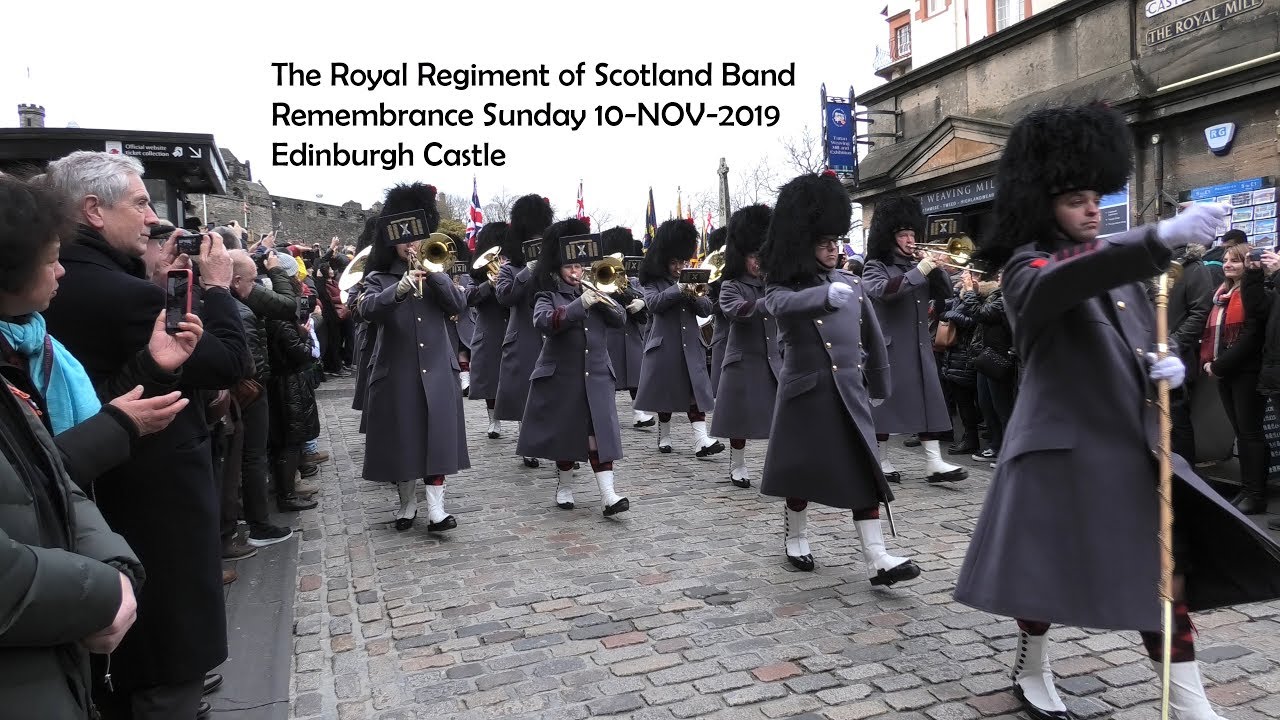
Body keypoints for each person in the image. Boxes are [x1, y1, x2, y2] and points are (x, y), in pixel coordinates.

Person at [952, 103, 1275, 720]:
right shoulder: (1027, 267)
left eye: (1096, 196)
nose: (1093, 209)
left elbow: (1139, 335)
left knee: (1164, 581)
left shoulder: (1121, 266)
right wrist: (1154, 238)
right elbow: (1061, 284)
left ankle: (1194, 708)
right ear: (1042, 202)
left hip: (1131, 449)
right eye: (1076, 198)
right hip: (1060, 451)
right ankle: (1033, 665)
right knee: (1040, 579)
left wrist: (1165, 366)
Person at [42, 151, 249, 719]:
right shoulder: (121, 296)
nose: (152, 217)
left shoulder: (91, 284)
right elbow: (230, 360)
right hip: (149, 513)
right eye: (139, 203)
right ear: (94, 211)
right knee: (163, 674)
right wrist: (220, 289)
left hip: (97, 506)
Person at [757, 172, 918, 584]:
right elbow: (777, 304)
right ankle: (796, 536)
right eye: (824, 243)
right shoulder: (783, 285)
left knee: (865, 473)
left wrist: (880, 386)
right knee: (802, 472)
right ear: (804, 244)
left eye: (835, 241)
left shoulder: (852, 282)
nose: (833, 249)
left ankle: (877, 557)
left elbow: (874, 339)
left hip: (850, 391)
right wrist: (819, 297)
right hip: (806, 392)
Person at [357, 183, 468, 532]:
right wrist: (399, 289)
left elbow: (459, 306)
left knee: (437, 440)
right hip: (398, 369)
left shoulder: (438, 272)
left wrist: (436, 278)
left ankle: (437, 510)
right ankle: (407, 505)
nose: (411, 245)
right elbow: (366, 309)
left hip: (437, 367)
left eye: (416, 238)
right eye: (405, 239)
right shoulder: (377, 277)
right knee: (403, 439)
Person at [516, 221, 630, 516]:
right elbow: (544, 322)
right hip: (563, 375)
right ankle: (564, 485)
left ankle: (609, 496)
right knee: (566, 435)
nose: (575, 272)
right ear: (557, 268)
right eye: (570, 267)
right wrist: (580, 303)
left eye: (580, 267)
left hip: (598, 373)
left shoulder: (596, 290)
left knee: (598, 435)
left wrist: (604, 301)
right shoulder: (547, 294)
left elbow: (620, 320)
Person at [863, 195, 967, 484]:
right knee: (885, 407)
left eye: (912, 234)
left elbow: (944, 294)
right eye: (903, 235)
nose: (910, 240)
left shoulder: (916, 264)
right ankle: (881, 458)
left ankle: (934, 462)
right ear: (890, 237)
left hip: (920, 346)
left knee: (928, 403)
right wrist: (919, 270)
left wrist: (938, 269)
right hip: (891, 348)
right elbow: (884, 291)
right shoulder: (876, 266)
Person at [634, 220, 723, 457]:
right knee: (667, 393)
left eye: (682, 262)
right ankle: (664, 434)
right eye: (674, 262)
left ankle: (701, 440)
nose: (679, 267)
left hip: (691, 344)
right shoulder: (653, 281)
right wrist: (678, 289)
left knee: (695, 393)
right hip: (665, 344)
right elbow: (653, 304)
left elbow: (706, 309)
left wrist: (694, 293)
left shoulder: (691, 278)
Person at [709, 205, 779, 488]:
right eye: (752, 256)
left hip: (774, 358)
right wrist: (770, 302)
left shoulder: (773, 283)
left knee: (780, 418)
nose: (757, 262)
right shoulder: (731, 285)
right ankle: (737, 462)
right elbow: (735, 310)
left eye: (761, 255)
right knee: (739, 418)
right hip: (742, 359)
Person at [1200, 241, 1269, 514]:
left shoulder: (1255, 292)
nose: (1228, 264)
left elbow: (1252, 336)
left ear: (1249, 264)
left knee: (1251, 434)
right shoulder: (1222, 294)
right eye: (1226, 260)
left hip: (1247, 371)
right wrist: (1214, 363)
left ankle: (1256, 494)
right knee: (1242, 433)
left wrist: (1220, 365)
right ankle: (1248, 488)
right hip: (1228, 371)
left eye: (1235, 261)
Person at [494, 195, 554, 468]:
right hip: (524, 334)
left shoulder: (553, 269)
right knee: (525, 392)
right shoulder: (509, 269)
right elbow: (504, 297)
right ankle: (527, 442)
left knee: (555, 391)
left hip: (551, 334)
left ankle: (557, 445)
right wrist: (526, 272)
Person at [599, 227, 652, 428]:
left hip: (630, 331)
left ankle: (638, 412)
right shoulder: (600, 277)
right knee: (609, 375)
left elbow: (645, 293)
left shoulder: (633, 279)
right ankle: (605, 411)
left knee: (635, 372)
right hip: (610, 331)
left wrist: (641, 302)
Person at [466, 222, 512, 439]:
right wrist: (489, 285)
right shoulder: (476, 274)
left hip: (513, 329)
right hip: (489, 330)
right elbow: (467, 299)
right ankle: (494, 420)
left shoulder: (513, 269)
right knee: (490, 379)